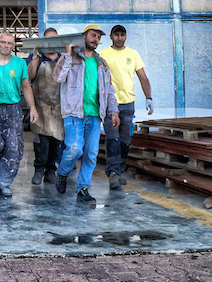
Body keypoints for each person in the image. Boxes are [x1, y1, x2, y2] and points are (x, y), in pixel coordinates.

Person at [53, 24, 120, 207]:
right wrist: (67, 55)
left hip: (94, 115)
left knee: (91, 154)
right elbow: (58, 78)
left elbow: (109, 90)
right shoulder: (71, 58)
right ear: (84, 37)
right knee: (75, 149)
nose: (95, 39)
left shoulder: (102, 63)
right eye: (92, 35)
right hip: (74, 113)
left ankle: (83, 189)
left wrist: (113, 111)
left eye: (98, 37)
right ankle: (63, 172)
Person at [0, 33, 37, 197]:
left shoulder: (19, 63)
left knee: (13, 148)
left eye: (10, 43)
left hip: (13, 108)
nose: (6, 45)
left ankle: (4, 182)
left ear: (13, 46)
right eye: (3, 42)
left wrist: (32, 108)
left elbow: (26, 87)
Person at [99, 24, 153, 190]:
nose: (120, 37)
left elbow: (143, 77)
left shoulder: (133, 54)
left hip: (129, 103)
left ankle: (119, 170)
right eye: (117, 35)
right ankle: (113, 172)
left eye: (122, 35)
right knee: (112, 139)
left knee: (125, 140)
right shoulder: (102, 55)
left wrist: (149, 97)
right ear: (111, 37)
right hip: (111, 104)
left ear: (126, 36)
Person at [26, 28, 64, 186]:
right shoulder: (37, 57)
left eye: (54, 39)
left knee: (56, 140)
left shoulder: (64, 57)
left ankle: (51, 170)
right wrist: (36, 57)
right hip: (40, 105)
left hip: (59, 106)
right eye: (48, 39)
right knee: (41, 140)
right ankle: (39, 170)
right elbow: (29, 76)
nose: (51, 42)